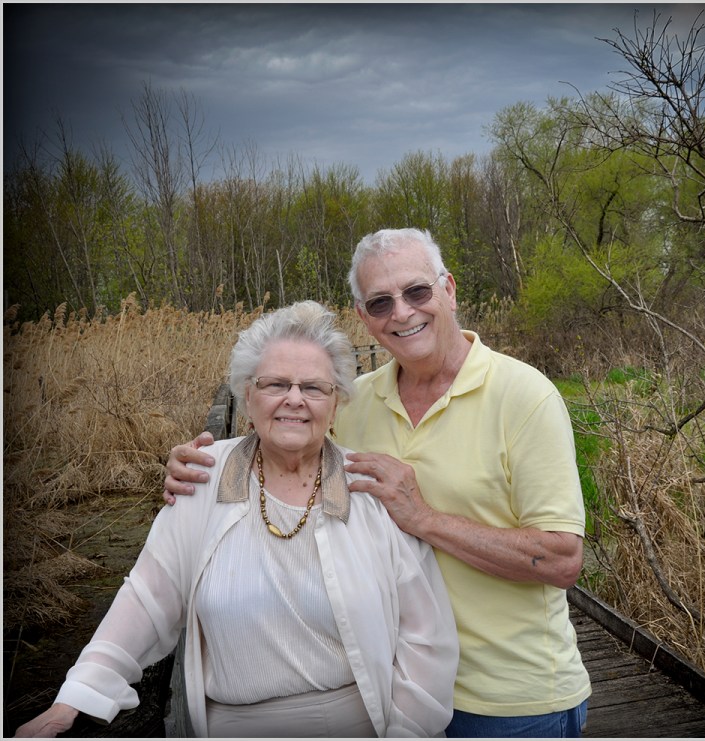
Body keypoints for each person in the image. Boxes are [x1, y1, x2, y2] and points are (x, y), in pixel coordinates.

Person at [163, 228, 592, 737]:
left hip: (509, 703)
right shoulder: (353, 402)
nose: (403, 313)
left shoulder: (525, 396)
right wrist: (199, 469)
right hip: (395, 693)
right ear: (364, 318)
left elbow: (562, 560)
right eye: (381, 302)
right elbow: (279, 462)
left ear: (449, 290)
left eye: (417, 291)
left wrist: (424, 519)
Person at [16, 300, 458, 739]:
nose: (294, 400)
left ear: (337, 402)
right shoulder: (203, 478)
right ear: (246, 394)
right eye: (275, 384)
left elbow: (425, 639)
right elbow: (147, 598)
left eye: (314, 388)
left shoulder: (369, 488)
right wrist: (78, 695)